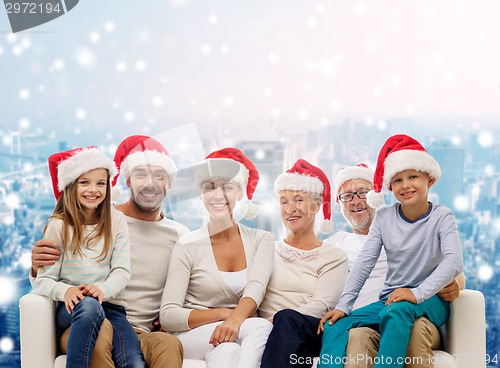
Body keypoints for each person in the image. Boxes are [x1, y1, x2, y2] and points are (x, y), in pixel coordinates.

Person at [30, 135, 189, 368]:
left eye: (159, 175)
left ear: (170, 183)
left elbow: (192, 289)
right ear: (126, 180)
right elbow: (50, 269)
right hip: (88, 322)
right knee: (100, 327)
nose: (150, 183)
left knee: (168, 344)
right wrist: (35, 266)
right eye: (141, 174)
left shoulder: (180, 235)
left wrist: (173, 317)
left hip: (136, 329)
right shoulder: (96, 215)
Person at [318, 134, 464, 368]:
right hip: (391, 301)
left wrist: (416, 293)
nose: (405, 185)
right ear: (389, 187)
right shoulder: (384, 218)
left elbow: (454, 261)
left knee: (396, 312)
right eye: (397, 180)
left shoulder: (442, 216)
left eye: (413, 176)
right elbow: (364, 263)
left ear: (430, 179)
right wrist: (343, 307)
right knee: (336, 324)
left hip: (430, 301)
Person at [160, 147, 275, 368]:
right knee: (259, 327)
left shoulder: (261, 240)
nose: (218, 195)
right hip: (190, 335)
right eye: (209, 187)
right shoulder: (187, 246)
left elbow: (256, 288)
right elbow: (168, 315)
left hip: (235, 332)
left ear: (240, 192)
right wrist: (226, 315)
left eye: (227, 187)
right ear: (201, 193)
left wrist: (233, 321)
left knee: (228, 350)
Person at [32, 146, 145, 368]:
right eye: (84, 182)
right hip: (73, 308)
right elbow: (43, 281)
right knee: (89, 305)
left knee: (133, 361)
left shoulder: (116, 221)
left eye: (100, 183)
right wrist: (67, 290)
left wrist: (102, 289)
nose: (93, 190)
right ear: (71, 185)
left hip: (111, 307)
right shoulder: (59, 226)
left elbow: (121, 271)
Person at [259, 159, 349, 368]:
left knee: (287, 319)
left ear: (317, 205)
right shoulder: (266, 249)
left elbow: (322, 306)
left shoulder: (334, 257)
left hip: (309, 330)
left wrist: (278, 322)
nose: (290, 209)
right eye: (284, 202)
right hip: (265, 328)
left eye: (298, 200)